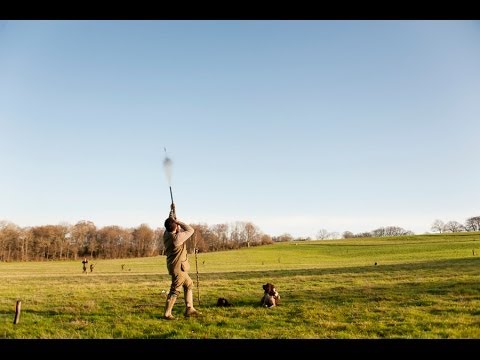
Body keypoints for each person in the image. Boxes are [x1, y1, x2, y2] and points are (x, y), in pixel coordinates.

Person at [162, 202, 200, 320]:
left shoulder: (166, 234)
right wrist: (179, 221)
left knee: (189, 284)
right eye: (176, 225)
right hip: (179, 269)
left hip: (175, 266)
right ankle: (167, 314)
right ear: (176, 227)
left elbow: (170, 222)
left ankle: (189, 308)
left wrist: (172, 211)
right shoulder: (177, 239)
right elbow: (190, 230)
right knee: (175, 290)